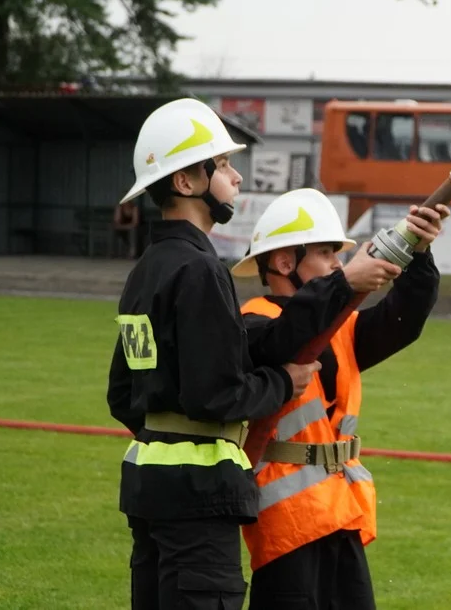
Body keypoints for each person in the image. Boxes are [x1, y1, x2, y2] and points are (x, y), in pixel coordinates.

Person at [107, 97, 321, 610]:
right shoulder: (202, 271)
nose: (235, 177)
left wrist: (165, 427)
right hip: (201, 496)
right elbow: (215, 392)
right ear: (186, 182)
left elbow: (122, 394)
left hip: (149, 487)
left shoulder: (145, 271)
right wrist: (282, 384)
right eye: (221, 165)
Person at [230, 188, 446, 610]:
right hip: (287, 524)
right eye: (327, 253)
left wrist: (418, 255)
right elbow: (287, 337)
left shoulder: (339, 327)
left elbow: (403, 321)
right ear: (283, 262)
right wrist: (344, 286)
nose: (337, 264)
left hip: (340, 512)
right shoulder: (254, 323)